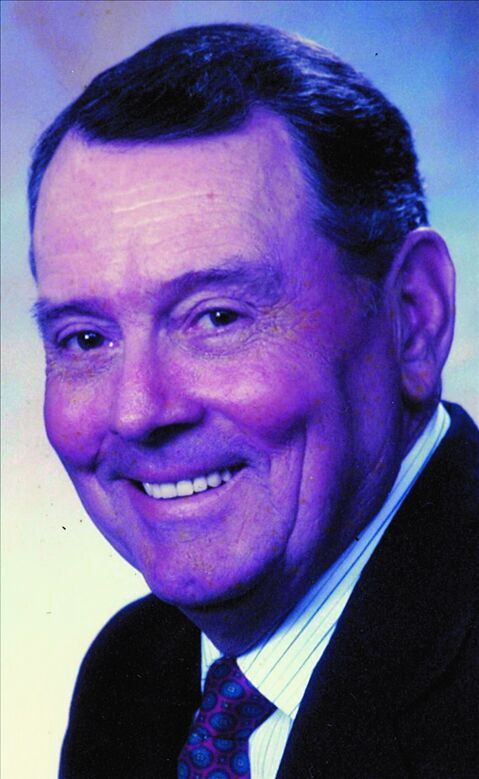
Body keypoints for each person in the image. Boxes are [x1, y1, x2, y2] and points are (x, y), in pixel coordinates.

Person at [29, 23, 477, 779]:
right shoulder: (132, 677)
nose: (137, 410)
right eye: (85, 338)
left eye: (216, 317)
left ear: (412, 315)